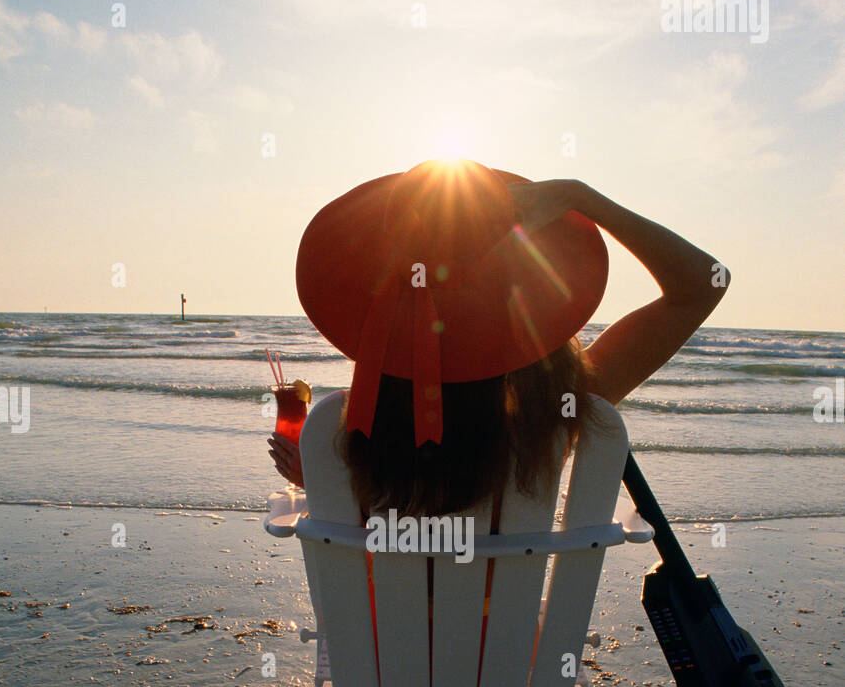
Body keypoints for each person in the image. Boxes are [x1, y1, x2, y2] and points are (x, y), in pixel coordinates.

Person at [269, 162, 729, 522]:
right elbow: (704, 285)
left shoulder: (350, 434)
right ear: (524, 296)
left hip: (374, 644)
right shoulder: (551, 415)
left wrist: (325, 483)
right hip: (510, 641)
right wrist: (582, 198)